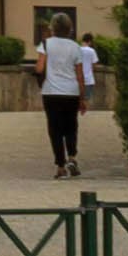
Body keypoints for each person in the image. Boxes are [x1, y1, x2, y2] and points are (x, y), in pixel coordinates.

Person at [35, 16, 100, 175]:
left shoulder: (45, 44)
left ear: (52, 28)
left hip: (51, 92)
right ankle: (72, 157)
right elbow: (79, 75)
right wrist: (82, 98)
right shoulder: (75, 47)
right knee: (71, 127)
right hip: (71, 92)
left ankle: (60, 165)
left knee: (54, 128)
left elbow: (39, 68)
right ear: (70, 29)